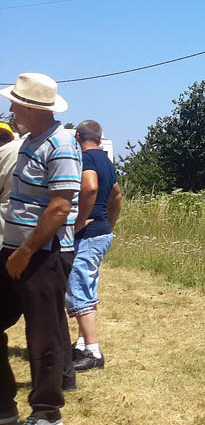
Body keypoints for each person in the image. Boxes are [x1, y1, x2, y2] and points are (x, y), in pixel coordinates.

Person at [0, 73, 82, 425]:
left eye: (16, 103)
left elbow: (60, 206)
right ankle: (4, 406)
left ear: (32, 107)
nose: (11, 109)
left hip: (44, 255)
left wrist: (25, 251)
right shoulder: (29, 142)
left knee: (43, 336)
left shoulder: (61, 144)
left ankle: (47, 413)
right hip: (14, 250)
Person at [66, 120, 121, 372]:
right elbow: (116, 195)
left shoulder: (85, 158)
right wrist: (109, 223)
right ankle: (81, 344)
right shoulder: (107, 162)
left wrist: (79, 221)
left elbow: (89, 188)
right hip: (101, 232)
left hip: (87, 235)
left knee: (78, 288)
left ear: (77, 136)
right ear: (99, 138)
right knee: (87, 286)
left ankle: (93, 352)